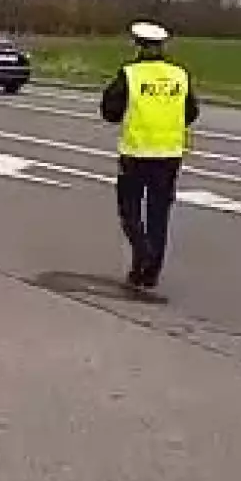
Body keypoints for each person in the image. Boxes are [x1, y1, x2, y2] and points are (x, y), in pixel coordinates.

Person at [99, 20, 199, 291]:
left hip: (136, 152)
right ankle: (149, 271)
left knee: (129, 210)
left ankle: (142, 253)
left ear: (138, 46)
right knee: (159, 214)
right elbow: (191, 112)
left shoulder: (130, 74)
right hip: (169, 154)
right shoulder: (180, 75)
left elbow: (109, 111)